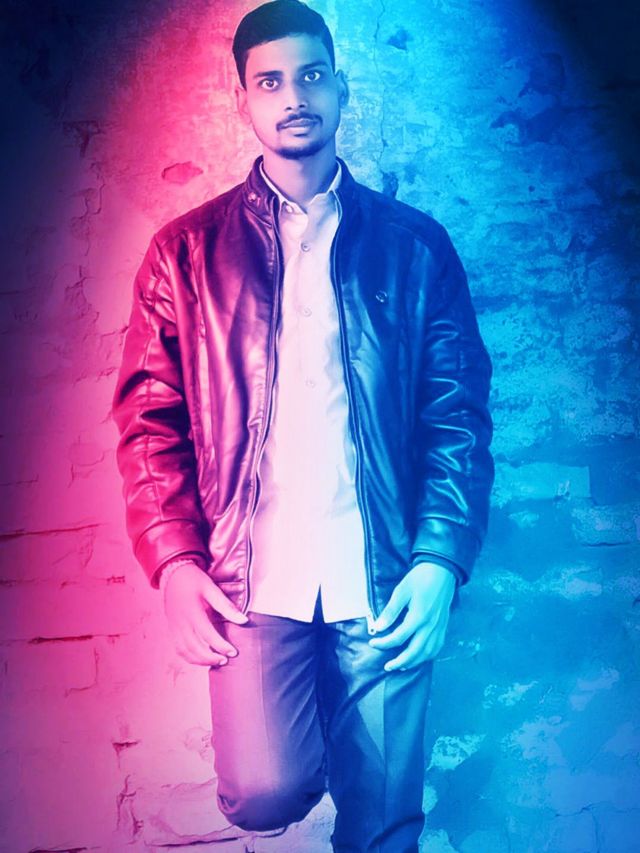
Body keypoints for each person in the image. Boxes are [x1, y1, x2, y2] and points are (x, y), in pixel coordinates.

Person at [111, 1, 495, 849]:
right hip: (256, 572)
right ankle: (333, 735)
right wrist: (174, 561)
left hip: (383, 569)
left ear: (342, 88)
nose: (294, 97)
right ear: (242, 100)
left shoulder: (416, 248)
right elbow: (148, 421)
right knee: (263, 788)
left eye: (312, 76)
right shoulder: (183, 254)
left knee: (385, 818)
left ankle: (371, 772)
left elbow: (457, 416)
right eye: (271, 81)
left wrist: (440, 558)